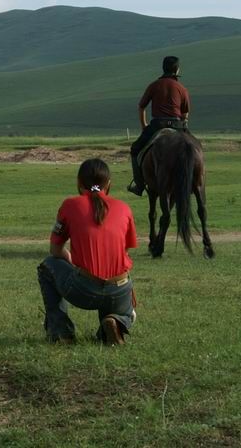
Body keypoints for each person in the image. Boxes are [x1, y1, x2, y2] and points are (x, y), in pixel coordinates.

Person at [37, 158, 137, 345]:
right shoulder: (124, 208)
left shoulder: (70, 205)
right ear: (109, 183)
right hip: (121, 288)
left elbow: (55, 249)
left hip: (84, 290)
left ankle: (62, 333)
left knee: (48, 265)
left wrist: (73, 262)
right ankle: (116, 321)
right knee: (123, 307)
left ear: (78, 182)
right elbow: (124, 251)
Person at [127, 55, 191, 196]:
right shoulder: (182, 88)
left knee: (135, 149)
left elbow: (141, 107)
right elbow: (185, 113)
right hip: (178, 125)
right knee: (193, 148)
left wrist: (144, 125)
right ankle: (193, 181)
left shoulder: (154, 85)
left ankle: (139, 185)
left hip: (157, 125)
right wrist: (183, 124)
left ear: (163, 68)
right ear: (177, 69)